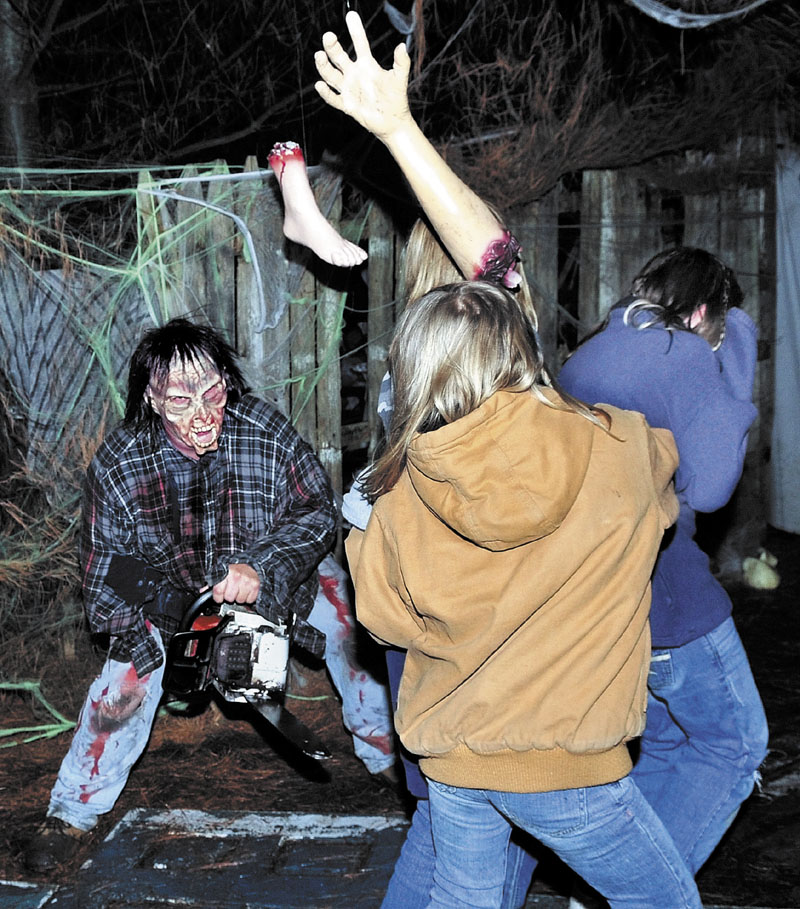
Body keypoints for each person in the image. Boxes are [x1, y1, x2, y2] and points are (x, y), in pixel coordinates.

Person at [348, 280, 702, 908]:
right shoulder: (614, 441)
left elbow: (383, 620)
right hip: (570, 764)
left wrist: (361, 537)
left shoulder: (397, 487)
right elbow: (666, 474)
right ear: (521, 349)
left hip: (455, 758)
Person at [24, 318, 394, 874]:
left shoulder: (263, 429)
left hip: (270, 577)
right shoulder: (121, 464)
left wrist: (263, 568)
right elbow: (102, 577)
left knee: (348, 614)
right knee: (122, 686)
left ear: (227, 379)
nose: (202, 414)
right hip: (167, 600)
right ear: (150, 399)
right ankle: (72, 810)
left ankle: (384, 749)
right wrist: (171, 629)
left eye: (213, 392)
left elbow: (317, 512)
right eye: (178, 400)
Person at [315, 12, 539, 906]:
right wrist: (398, 129)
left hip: (426, 631)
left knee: (457, 825)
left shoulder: (410, 365)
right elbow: (496, 257)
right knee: (484, 820)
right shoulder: (473, 355)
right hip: (470, 640)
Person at [559, 247, 769, 881]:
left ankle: (603, 886)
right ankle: (643, 892)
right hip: (669, 589)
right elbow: (710, 490)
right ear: (705, 311)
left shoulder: (592, 349)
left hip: (603, 591)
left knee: (669, 744)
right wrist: (734, 347)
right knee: (734, 744)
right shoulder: (681, 355)